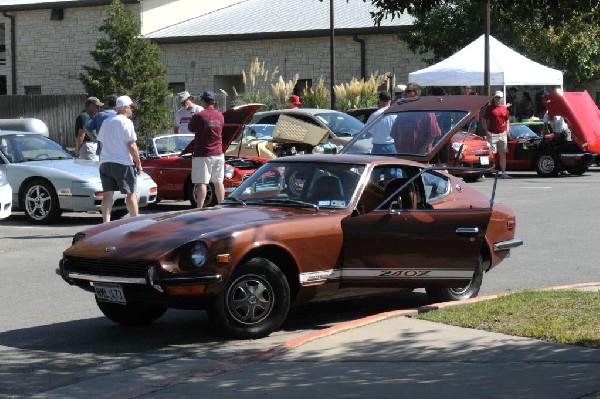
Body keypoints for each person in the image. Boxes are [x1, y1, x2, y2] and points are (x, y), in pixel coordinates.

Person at [96, 95, 143, 223]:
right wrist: (138, 163)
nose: (132, 110)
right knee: (131, 193)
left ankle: (106, 223)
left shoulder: (106, 121)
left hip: (105, 162)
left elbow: (100, 143)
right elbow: (132, 145)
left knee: (108, 194)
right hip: (122, 162)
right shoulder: (126, 122)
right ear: (126, 108)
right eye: (131, 107)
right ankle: (135, 222)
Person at [188, 91, 225, 209]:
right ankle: (222, 206)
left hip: (203, 154)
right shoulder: (220, 116)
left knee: (202, 182)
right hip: (218, 153)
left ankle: (199, 208)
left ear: (203, 101)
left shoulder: (198, 116)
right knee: (219, 181)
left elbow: (191, 128)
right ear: (213, 101)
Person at [483, 91, 511, 179]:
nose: (497, 99)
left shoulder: (504, 108)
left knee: (502, 153)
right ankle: (488, 171)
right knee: (491, 154)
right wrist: (486, 131)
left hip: (502, 133)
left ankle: (503, 172)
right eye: (496, 97)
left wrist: (507, 129)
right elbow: (484, 119)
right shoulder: (489, 108)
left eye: (499, 97)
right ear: (494, 98)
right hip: (492, 133)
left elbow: (507, 119)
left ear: (502, 98)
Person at [84, 94, 118, 158]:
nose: (99, 108)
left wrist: (95, 139)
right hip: (116, 151)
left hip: (102, 152)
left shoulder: (99, 115)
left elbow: (86, 129)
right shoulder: (119, 115)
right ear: (117, 105)